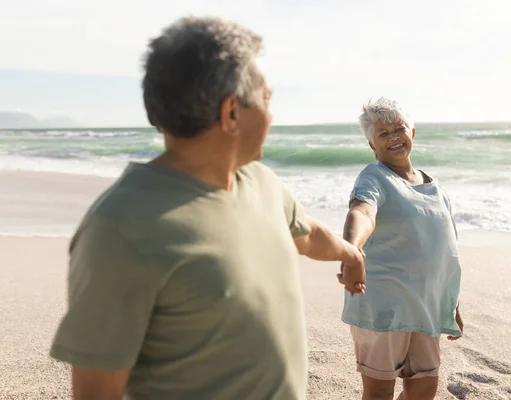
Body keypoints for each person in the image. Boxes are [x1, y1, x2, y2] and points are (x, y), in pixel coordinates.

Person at [49, 16, 366, 400]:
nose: (272, 115)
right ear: (231, 113)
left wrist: (351, 254)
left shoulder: (259, 182)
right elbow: (95, 394)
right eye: (267, 99)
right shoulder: (121, 228)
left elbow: (305, 234)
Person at [340, 97, 464, 400]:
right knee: (380, 393)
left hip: (426, 307)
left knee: (424, 390)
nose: (394, 137)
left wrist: (452, 302)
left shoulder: (437, 189)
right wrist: (351, 250)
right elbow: (362, 212)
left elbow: (445, 251)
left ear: (413, 132)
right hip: (384, 306)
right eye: (383, 133)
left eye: (400, 129)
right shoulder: (375, 177)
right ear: (372, 144)